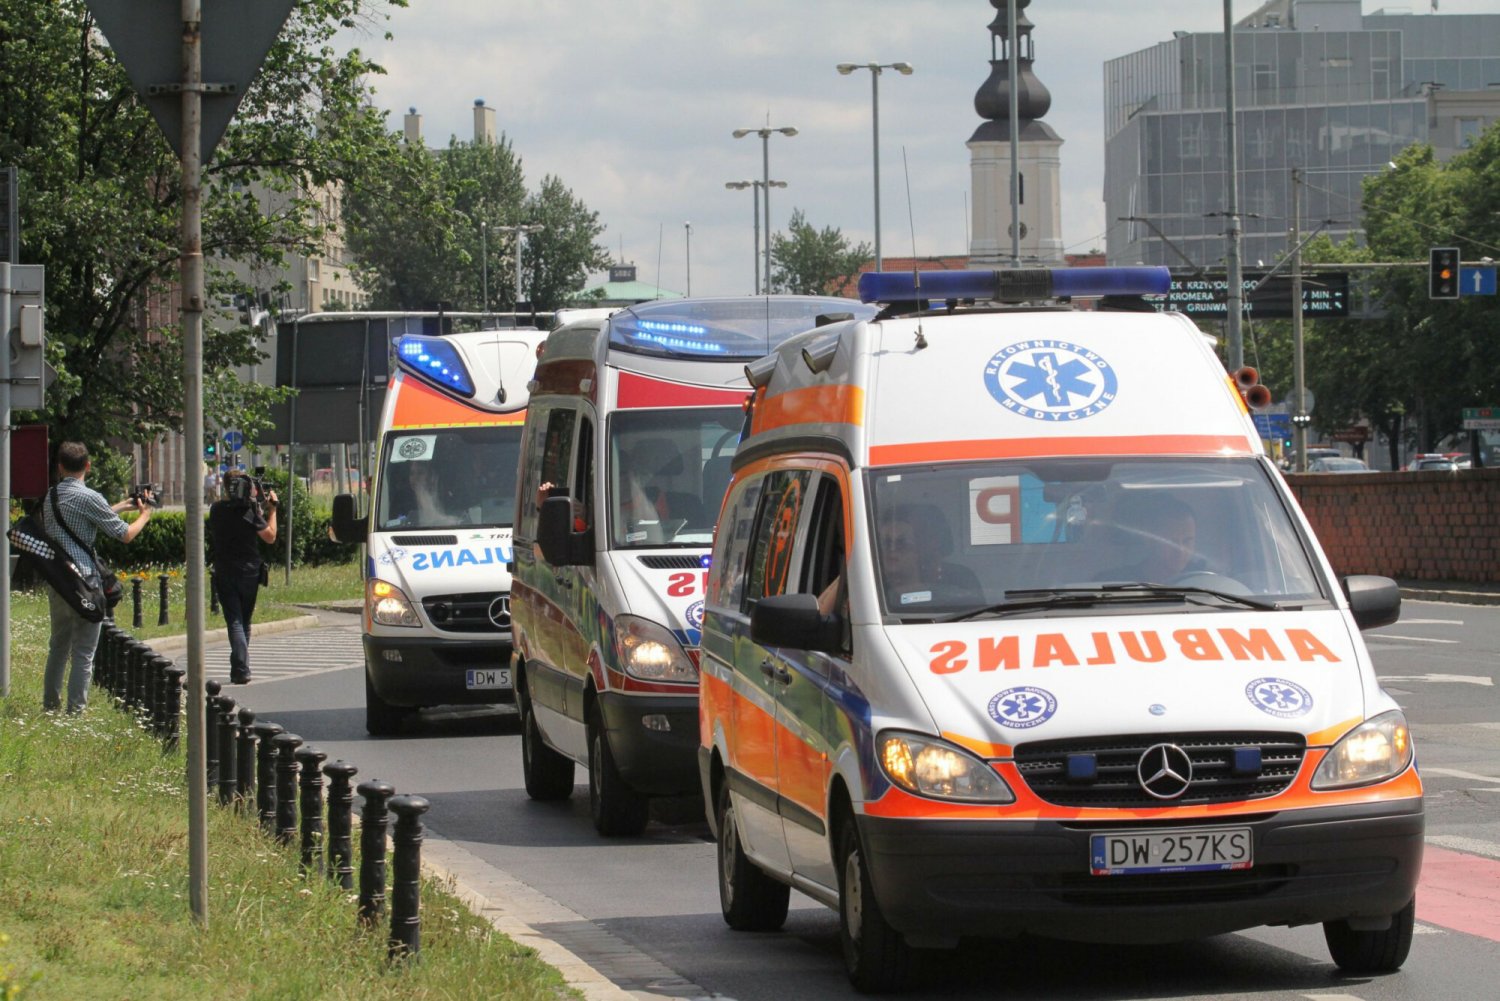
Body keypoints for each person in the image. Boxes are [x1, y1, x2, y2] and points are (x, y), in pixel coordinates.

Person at [41, 441, 153, 713]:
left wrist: (121, 506)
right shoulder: (90, 497)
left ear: (59, 467)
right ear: (88, 466)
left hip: (58, 581)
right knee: (83, 652)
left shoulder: (51, 496)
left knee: (58, 646)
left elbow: (81, 518)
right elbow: (125, 534)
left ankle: (50, 707)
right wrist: (145, 515)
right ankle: (75, 712)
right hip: (85, 583)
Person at [208, 471, 278, 684]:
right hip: (249, 572)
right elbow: (270, 536)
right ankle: (240, 667)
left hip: (224, 570)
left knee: (234, 619)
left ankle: (240, 667)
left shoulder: (217, 509)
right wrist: (272, 511)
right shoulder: (249, 512)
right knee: (243, 621)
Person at [1105, 494, 1201, 583]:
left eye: (1187, 541)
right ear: (1149, 540)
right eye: (1171, 542)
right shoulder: (1112, 584)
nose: (1180, 551)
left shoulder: (1205, 582)